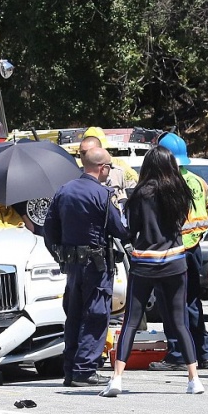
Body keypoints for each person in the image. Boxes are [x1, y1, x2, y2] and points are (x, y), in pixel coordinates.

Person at [100, 146, 204, 397]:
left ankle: (117, 378)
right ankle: (194, 378)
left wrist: (123, 205)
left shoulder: (140, 195)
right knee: (180, 322)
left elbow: (129, 230)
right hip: (175, 261)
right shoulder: (180, 192)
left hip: (145, 261)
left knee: (131, 322)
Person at [44, 146, 130, 387]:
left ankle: (70, 370)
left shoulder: (64, 190)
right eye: (109, 167)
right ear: (102, 168)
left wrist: (60, 256)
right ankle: (84, 370)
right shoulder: (103, 195)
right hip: (97, 266)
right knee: (96, 315)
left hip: (72, 266)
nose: (109, 172)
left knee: (73, 315)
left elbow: (49, 230)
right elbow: (120, 229)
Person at [148, 132, 208, 371]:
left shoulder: (167, 185)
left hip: (173, 251)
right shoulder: (198, 181)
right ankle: (203, 353)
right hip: (194, 249)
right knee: (193, 303)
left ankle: (177, 354)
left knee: (170, 305)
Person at [78, 134, 137, 204]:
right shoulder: (75, 174)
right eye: (83, 153)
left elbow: (134, 197)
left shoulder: (119, 173)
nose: (87, 156)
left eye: (91, 151)